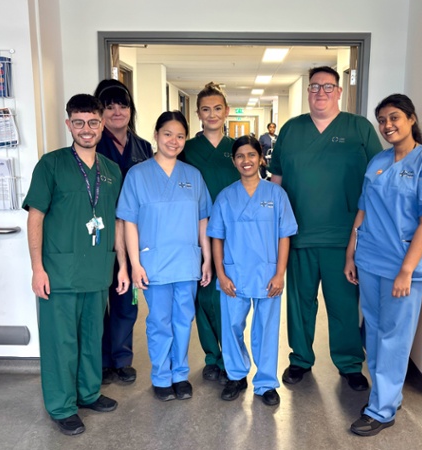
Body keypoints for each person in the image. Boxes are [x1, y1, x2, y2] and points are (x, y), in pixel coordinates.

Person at [269, 66, 382, 390]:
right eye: (315, 86)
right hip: (298, 235)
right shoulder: (291, 130)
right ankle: (300, 359)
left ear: (339, 91)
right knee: (300, 304)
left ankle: (349, 364)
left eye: (328, 86)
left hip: (344, 238)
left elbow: (379, 177)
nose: (321, 92)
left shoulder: (359, 128)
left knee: (343, 304)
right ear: (308, 91)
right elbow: (276, 181)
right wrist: (273, 229)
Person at [23, 94, 129, 436]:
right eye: (79, 123)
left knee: (91, 337)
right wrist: (37, 268)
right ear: (69, 124)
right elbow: (35, 217)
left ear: (102, 124)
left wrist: (122, 265)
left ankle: (88, 392)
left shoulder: (111, 170)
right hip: (60, 273)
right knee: (61, 343)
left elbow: (117, 221)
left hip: (97, 270)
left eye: (93, 122)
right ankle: (62, 406)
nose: (87, 129)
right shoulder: (51, 164)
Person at [344, 94, 422, 436]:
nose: (387, 125)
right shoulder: (378, 160)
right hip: (370, 259)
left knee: (394, 338)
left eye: (394, 118)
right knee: (374, 333)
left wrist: (406, 271)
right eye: (382, 120)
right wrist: (351, 253)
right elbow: (363, 209)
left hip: (403, 266)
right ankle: (386, 395)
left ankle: (382, 410)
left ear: (411, 119)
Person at [117, 111, 212, 402]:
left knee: (184, 319)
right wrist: (134, 264)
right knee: (160, 321)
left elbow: (203, 220)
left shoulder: (193, 176)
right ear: (156, 135)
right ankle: (161, 375)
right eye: (168, 134)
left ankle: (180, 374)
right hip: (153, 263)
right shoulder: (138, 175)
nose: (174, 140)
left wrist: (207, 258)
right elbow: (129, 222)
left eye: (180, 136)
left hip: (186, 262)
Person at [207, 135, 297, 406]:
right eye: (240, 156)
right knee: (231, 327)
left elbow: (284, 236)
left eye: (251, 155)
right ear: (234, 161)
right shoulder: (226, 196)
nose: (246, 160)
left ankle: (266, 382)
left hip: (268, 275)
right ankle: (236, 375)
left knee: (266, 329)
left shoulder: (276, 194)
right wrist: (221, 274)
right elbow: (217, 237)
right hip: (234, 274)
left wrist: (280, 273)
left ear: (260, 159)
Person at [93, 79, 153, 385]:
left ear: (131, 110)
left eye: (123, 105)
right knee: (97, 301)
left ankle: (121, 358)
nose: (117, 111)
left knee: (126, 299)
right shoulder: (91, 144)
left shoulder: (143, 147)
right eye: (109, 106)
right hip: (99, 234)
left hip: (132, 235)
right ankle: (100, 362)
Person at [179, 82, 240, 383]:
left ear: (226, 111)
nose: (212, 114)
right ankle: (211, 356)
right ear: (198, 113)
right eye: (206, 109)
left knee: (229, 294)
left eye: (217, 108)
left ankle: (231, 355)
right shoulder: (187, 149)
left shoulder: (237, 149)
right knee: (203, 295)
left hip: (233, 232)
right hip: (196, 231)